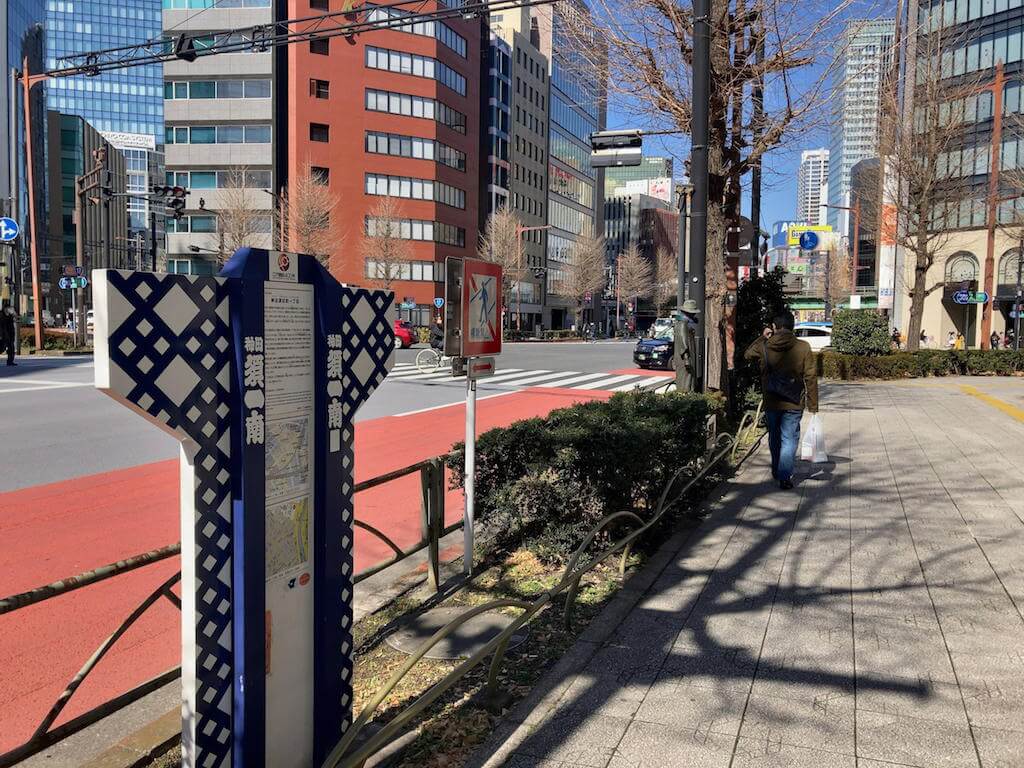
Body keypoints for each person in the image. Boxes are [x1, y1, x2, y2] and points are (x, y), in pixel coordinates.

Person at [744, 311, 818, 490]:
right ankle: (785, 476)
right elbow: (810, 376)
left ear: (774, 327)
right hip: (794, 401)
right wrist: (813, 404)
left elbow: (747, 354)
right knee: (789, 438)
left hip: (772, 400)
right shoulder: (803, 347)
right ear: (793, 326)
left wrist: (763, 337)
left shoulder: (765, 346)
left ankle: (777, 470)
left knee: (774, 436)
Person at [1, 301, 17, 366]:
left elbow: (17, 319)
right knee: (2, 348)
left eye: (9, 308)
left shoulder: (11, 315)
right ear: (4, 308)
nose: (9, 309)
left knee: (11, 348)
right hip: (3, 334)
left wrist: (14, 313)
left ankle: (10, 361)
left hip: (10, 334)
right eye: (7, 308)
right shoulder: (1, 315)